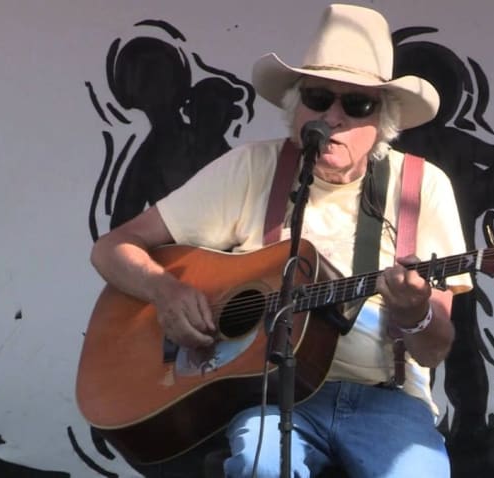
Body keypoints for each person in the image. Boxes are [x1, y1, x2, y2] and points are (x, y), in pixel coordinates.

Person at [90, 4, 472, 477]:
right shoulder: (251, 169)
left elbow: (433, 350)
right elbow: (112, 249)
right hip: (269, 396)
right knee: (258, 465)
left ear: (383, 120)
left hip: (385, 400)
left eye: (357, 104)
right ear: (296, 105)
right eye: (318, 96)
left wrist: (414, 314)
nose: (333, 116)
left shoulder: (421, 187)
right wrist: (166, 292)